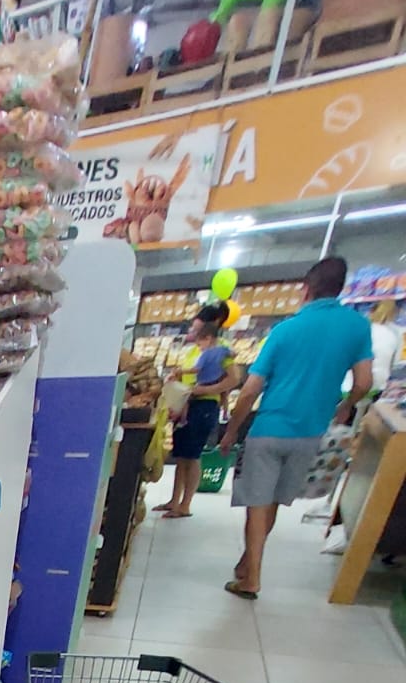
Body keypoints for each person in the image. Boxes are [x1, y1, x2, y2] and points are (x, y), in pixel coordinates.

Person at [218, 255, 372, 599]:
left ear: (305, 289)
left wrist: (231, 429)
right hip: (311, 432)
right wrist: (345, 406)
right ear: (340, 288)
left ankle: (251, 578)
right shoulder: (357, 327)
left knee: (257, 504)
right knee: (272, 502)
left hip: (269, 427)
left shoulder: (285, 330)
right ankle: (246, 565)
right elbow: (364, 382)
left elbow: (250, 389)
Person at [156, 301, 240, 518]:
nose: (194, 332)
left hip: (204, 406)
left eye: (197, 328)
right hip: (187, 404)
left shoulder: (221, 349)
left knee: (192, 456)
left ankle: (185, 505)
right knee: (181, 455)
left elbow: (233, 379)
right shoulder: (198, 348)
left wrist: (204, 390)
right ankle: (174, 501)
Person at [369, 299, 403, 393]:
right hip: (379, 386)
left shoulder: (362, 328)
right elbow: (396, 363)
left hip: (350, 384)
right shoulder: (396, 332)